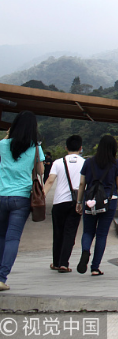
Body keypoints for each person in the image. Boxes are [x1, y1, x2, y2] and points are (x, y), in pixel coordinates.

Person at [0, 111, 45, 291]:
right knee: (12, 238)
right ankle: (1, 278)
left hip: (1, 195)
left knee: (1, 236)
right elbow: (40, 172)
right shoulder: (35, 147)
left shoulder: (2, 144)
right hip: (22, 197)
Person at [74, 135, 118, 276]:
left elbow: (81, 184)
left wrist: (79, 202)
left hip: (89, 201)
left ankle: (86, 250)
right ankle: (95, 267)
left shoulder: (88, 162)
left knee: (87, 231)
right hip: (109, 201)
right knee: (102, 234)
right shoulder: (116, 164)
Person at [43, 135, 85, 272]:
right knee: (70, 233)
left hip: (59, 202)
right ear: (80, 148)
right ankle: (63, 263)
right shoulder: (85, 163)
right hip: (76, 202)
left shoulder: (58, 162)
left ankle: (55, 262)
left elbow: (50, 181)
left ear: (66, 147)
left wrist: (41, 196)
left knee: (58, 232)